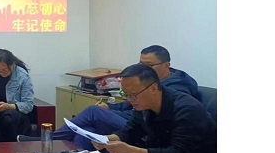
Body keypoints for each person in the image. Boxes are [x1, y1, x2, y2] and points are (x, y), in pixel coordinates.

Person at [100, 62, 216, 153]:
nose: (129, 100)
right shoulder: (143, 104)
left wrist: (131, 150)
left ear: (153, 88)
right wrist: (108, 139)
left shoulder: (187, 109)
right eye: (126, 94)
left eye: (133, 95)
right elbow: (131, 129)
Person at [72, 43, 203, 135]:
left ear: (166, 65)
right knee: (89, 131)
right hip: (135, 119)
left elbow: (145, 113)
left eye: (149, 65)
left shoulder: (178, 88)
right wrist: (109, 107)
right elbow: (128, 105)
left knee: (94, 111)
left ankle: (58, 138)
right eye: (141, 64)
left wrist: (109, 113)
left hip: (147, 127)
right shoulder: (146, 82)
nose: (143, 69)